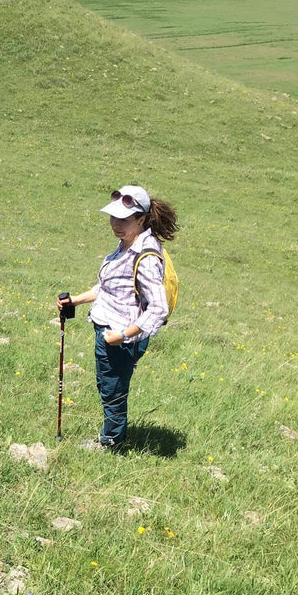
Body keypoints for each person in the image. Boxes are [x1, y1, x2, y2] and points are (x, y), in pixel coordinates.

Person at [59, 185, 178, 449]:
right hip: (111, 331)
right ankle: (114, 435)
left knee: (112, 389)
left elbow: (159, 309)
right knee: (108, 385)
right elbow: (112, 286)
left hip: (120, 337)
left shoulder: (145, 256)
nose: (116, 224)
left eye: (124, 220)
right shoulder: (127, 243)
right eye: (113, 217)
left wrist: (122, 336)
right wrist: (77, 299)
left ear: (142, 219)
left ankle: (112, 442)